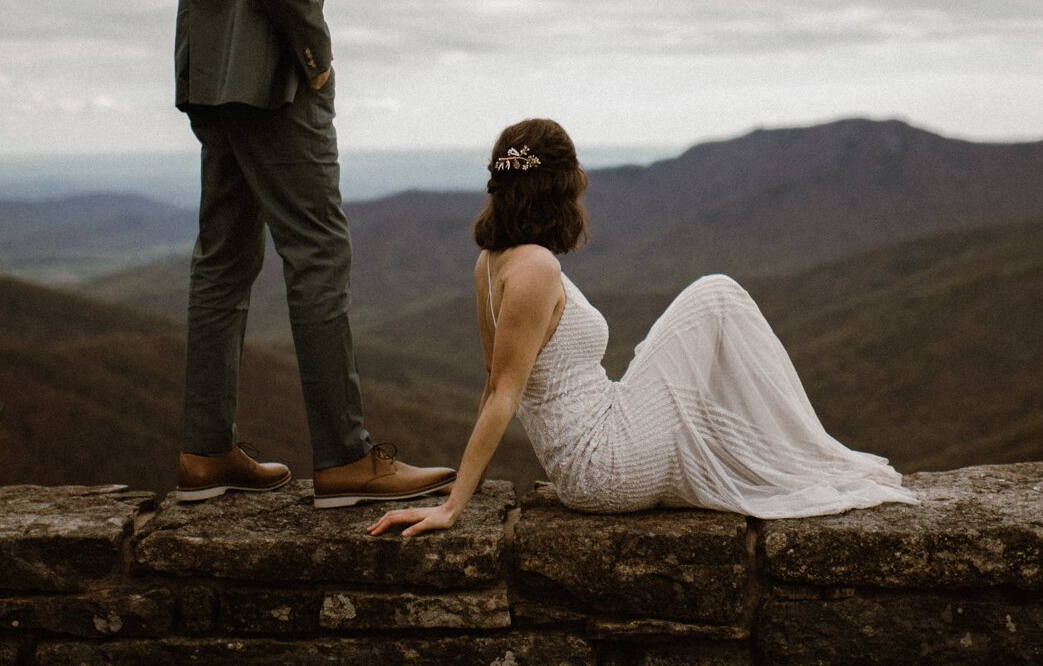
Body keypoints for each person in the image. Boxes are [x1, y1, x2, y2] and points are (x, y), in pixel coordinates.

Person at [173, 0, 455, 509]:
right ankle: (344, 457)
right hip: (269, 77)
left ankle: (203, 452)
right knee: (319, 254)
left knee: (221, 263)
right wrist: (315, 49)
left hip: (209, 76)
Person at [367, 118, 914, 536]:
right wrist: (454, 506)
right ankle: (807, 454)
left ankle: (799, 456)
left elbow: (494, 380)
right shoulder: (535, 267)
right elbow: (504, 395)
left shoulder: (491, 261)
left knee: (683, 327)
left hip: (588, 457)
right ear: (558, 189)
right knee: (716, 295)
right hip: (603, 462)